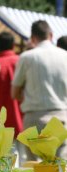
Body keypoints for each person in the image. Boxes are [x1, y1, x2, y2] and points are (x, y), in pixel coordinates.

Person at [12, 20, 67, 160]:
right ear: (51, 34)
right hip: (62, 116)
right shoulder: (65, 55)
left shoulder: (27, 57)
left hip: (34, 117)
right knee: (62, 166)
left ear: (33, 38)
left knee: (34, 170)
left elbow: (14, 92)